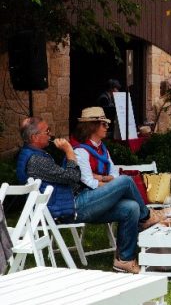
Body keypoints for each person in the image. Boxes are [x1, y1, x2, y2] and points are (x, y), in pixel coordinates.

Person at [18, 113, 163, 273]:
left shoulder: (35, 155)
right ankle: (147, 217)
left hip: (71, 203)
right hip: (71, 207)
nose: (50, 134)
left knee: (131, 207)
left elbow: (69, 177)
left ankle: (124, 260)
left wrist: (97, 177)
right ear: (34, 137)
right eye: (47, 131)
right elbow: (73, 176)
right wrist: (69, 151)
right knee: (125, 181)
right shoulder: (36, 160)